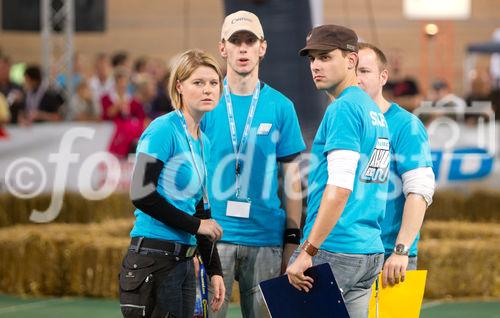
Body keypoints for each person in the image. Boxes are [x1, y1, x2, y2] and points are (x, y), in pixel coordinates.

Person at [202, 10, 306, 318]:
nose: (243, 48)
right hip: (213, 238)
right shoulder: (205, 101)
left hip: (266, 240)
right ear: (223, 48)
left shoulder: (281, 107)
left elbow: (292, 180)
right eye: (236, 41)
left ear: (263, 47)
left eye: (250, 41)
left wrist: (291, 240)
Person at [286, 25, 390, 318]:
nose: (316, 66)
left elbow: (341, 187)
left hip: (335, 248)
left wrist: (308, 250)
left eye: (325, 57)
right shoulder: (372, 111)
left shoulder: (343, 109)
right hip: (368, 250)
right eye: (312, 59)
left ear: (351, 60)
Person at [119, 49, 226, 318]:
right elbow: (141, 193)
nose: (208, 90)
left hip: (184, 262)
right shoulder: (162, 129)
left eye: (214, 83)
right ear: (179, 86)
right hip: (152, 259)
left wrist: (214, 271)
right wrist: (197, 225)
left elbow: (200, 211)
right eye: (198, 83)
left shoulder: (205, 141)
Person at [357, 42, 435, 287]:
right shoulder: (344, 121)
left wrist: (401, 250)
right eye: (353, 71)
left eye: (365, 71)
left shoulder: (406, 125)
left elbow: (420, 192)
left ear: (383, 77)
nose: (357, 78)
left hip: (389, 254)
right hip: (348, 253)